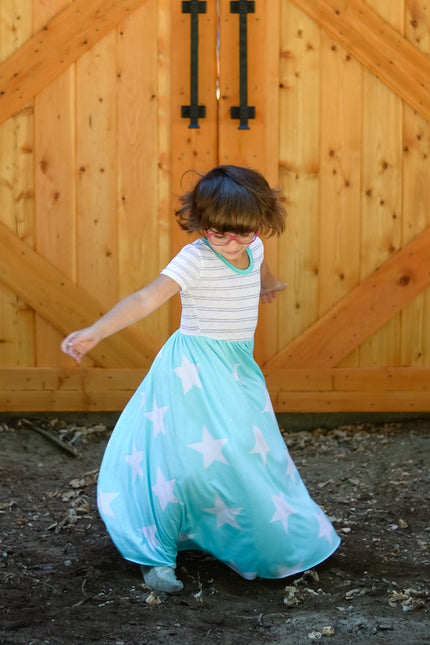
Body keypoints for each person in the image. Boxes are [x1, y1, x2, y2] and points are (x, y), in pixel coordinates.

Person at [62, 165, 340, 594]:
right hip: (190, 372)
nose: (232, 243)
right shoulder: (196, 259)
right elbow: (145, 298)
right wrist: (96, 331)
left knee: (247, 455)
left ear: (262, 223)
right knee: (184, 463)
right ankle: (155, 555)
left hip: (237, 371)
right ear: (201, 224)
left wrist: (266, 285)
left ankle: (255, 537)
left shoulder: (255, 246)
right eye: (219, 233)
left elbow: (257, 266)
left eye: (243, 234)